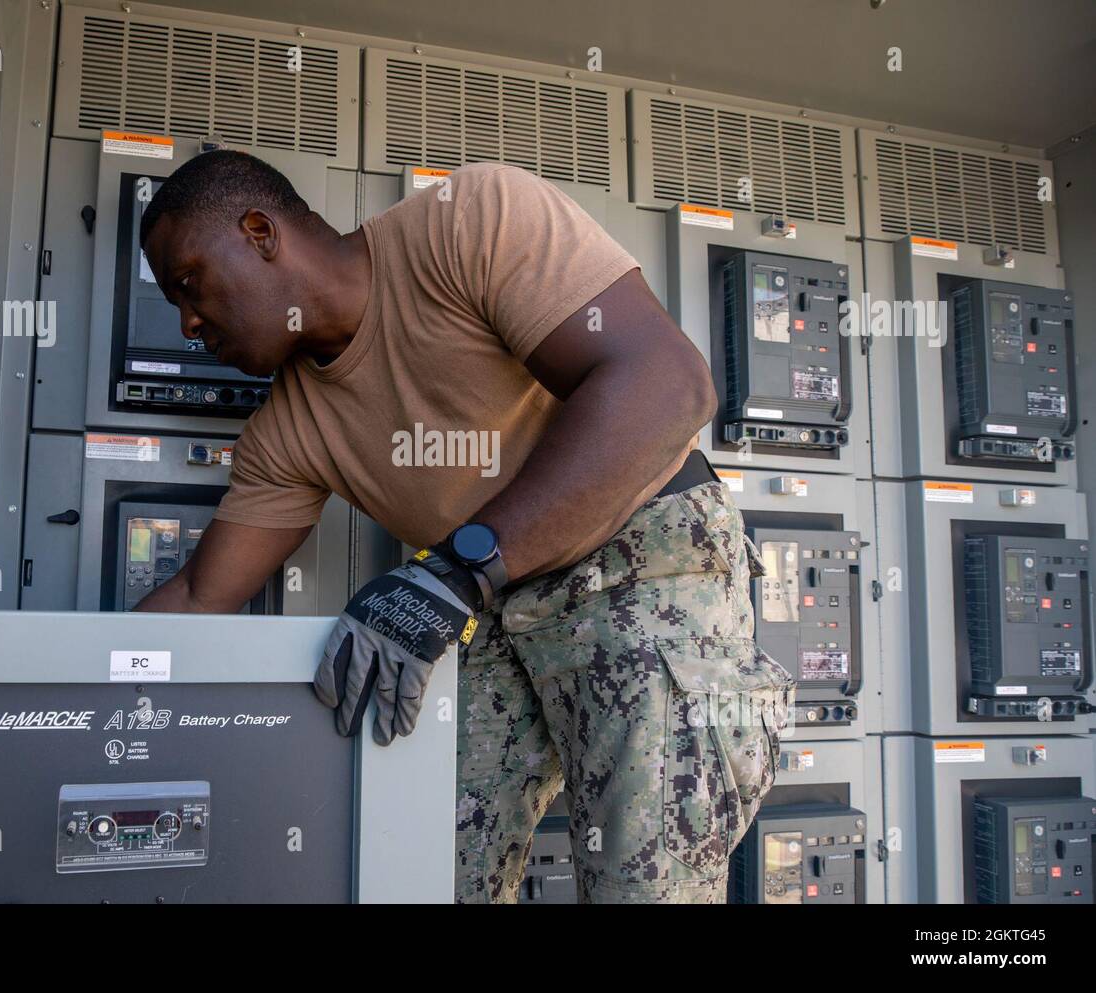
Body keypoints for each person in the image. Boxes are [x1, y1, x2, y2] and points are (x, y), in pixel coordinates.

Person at [136, 150, 794, 903]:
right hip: (497, 606)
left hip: (642, 562)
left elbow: (666, 383)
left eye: (188, 285)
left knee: (643, 887)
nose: (187, 322)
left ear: (259, 232)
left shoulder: (470, 221)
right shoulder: (287, 430)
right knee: (417, 868)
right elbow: (196, 596)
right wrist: (67, 706)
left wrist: (453, 568)